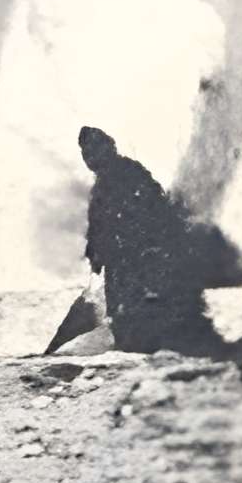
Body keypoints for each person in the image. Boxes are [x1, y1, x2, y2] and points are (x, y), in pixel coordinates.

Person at [78, 125, 219, 355]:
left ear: (109, 147)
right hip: (121, 263)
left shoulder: (130, 172)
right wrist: (95, 252)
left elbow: (154, 208)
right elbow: (98, 224)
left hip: (139, 258)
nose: (90, 158)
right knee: (123, 311)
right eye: (86, 154)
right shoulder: (102, 184)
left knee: (140, 309)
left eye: (94, 151)